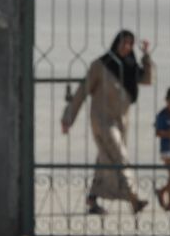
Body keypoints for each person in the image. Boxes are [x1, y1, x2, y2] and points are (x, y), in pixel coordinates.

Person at [61, 29, 153, 216]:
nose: (126, 47)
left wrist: (146, 57)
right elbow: (82, 91)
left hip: (121, 122)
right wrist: (68, 118)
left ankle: (93, 197)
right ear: (116, 43)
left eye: (129, 43)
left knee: (105, 158)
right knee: (120, 157)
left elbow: (147, 80)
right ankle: (134, 199)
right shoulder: (101, 65)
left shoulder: (130, 66)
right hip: (102, 120)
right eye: (123, 43)